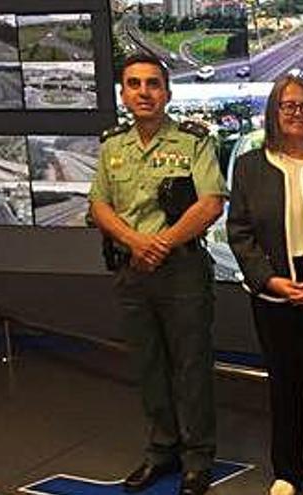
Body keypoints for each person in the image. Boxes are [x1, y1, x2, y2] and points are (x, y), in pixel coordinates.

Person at [88, 53, 228, 495]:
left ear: (167, 93)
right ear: (124, 93)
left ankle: (197, 458)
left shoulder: (193, 141)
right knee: (148, 365)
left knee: (191, 367)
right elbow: (99, 206)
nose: (144, 92)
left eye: (153, 84)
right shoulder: (113, 146)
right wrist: (135, 243)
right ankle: (161, 449)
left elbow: (210, 203)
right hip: (133, 271)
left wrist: (159, 244)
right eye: (134, 84)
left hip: (182, 269)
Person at [227, 76, 303, 495]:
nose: (297, 113)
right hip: (272, 295)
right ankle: (287, 472)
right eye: (288, 105)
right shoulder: (249, 167)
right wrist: (269, 279)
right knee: (284, 384)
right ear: (273, 113)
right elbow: (239, 231)